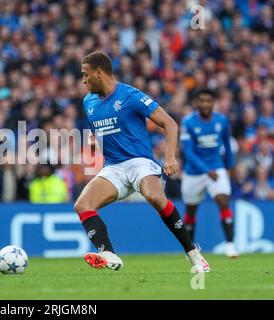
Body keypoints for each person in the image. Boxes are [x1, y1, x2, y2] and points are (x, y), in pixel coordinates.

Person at [74, 51, 210, 273]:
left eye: (85, 75)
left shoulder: (131, 96)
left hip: (139, 162)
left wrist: (169, 156)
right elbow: (100, 133)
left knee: (156, 198)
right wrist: (93, 142)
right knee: (82, 205)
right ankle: (108, 253)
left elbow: (170, 124)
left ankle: (194, 255)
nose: (83, 80)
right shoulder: (88, 102)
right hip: (114, 167)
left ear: (98, 73)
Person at [180, 88, 238, 258]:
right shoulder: (188, 123)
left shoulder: (222, 121)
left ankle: (230, 245)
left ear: (213, 102)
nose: (205, 104)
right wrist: (206, 170)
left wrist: (231, 165)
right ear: (196, 103)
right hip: (194, 172)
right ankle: (190, 250)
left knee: (223, 200)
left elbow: (227, 144)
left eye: (208, 101)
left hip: (216, 167)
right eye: (202, 100)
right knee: (191, 210)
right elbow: (188, 153)